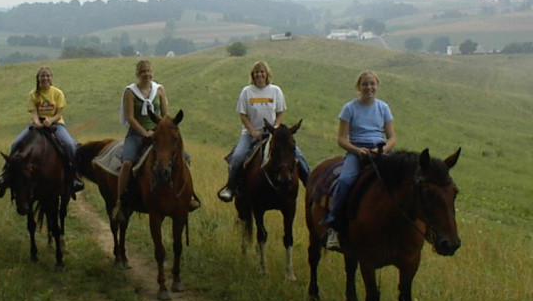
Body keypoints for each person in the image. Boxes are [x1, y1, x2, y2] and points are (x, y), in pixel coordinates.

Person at [111, 60, 199, 223]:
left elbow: (165, 115)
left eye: (149, 71)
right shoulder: (130, 92)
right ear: (138, 74)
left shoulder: (159, 90)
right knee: (127, 163)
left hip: (159, 135)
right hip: (137, 134)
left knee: (185, 157)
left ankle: (188, 196)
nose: (147, 74)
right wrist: (145, 133)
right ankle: (121, 201)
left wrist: (160, 132)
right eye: (143, 71)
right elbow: (130, 118)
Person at [217, 60, 310, 202]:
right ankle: (230, 188)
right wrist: (253, 131)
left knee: (298, 155)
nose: (259, 75)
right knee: (238, 156)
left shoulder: (276, 91)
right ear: (252, 75)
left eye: (262, 72)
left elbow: (280, 113)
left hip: (274, 134)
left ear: (267, 74)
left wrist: (276, 128)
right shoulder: (246, 92)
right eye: (256, 72)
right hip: (250, 133)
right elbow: (243, 115)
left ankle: (310, 184)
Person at [324, 70, 396, 250]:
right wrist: (357, 150)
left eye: (372, 84)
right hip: (357, 151)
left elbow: (392, 137)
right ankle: (333, 226)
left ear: (377, 86)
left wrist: (382, 150)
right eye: (365, 84)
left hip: (380, 151)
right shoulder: (349, 108)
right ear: (358, 87)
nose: (369, 87)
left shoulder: (383, 108)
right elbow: (341, 139)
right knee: (345, 180)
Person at [0, 67, 83, 197]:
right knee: (15, 144)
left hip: (55, 124)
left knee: (70, 145)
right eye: (42, 76)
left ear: (51, 78)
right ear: (38, 78)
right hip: (37, 125)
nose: (45, 78)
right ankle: (5, 175)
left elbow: (59, 113)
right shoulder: (33, 94)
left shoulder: (57, 93)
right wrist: (36, 122)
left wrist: (50, 120)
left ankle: (74, 177)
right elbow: (33, 112)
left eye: (47, 76)